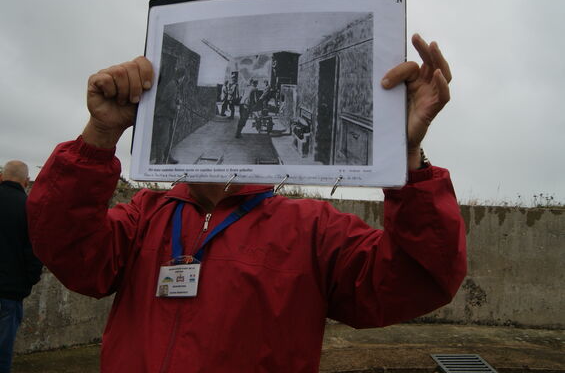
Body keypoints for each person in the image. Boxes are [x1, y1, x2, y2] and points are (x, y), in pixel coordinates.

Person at [27, 34, 466, 373]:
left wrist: (404, 154)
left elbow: (418, 279)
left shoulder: (314, 228)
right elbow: (68, 250)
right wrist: (99, 136)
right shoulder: (146, 214)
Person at [0, 161, 42, 373]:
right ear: (26, 182)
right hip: (10, 293)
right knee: (2, 352)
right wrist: (28, 280)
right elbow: (35, 252)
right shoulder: (29, 209)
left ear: (1, 177)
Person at [152, 67, 185, 164]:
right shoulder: (173, 85)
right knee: (163, 139)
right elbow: (169, 103)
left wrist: (177, 101)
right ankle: (158, 162)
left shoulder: (174, 84)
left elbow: (169, 98)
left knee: (168, 138)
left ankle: (168, 157)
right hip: (163, 116)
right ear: (182, 77)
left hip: (167, 116)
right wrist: (176, 107)